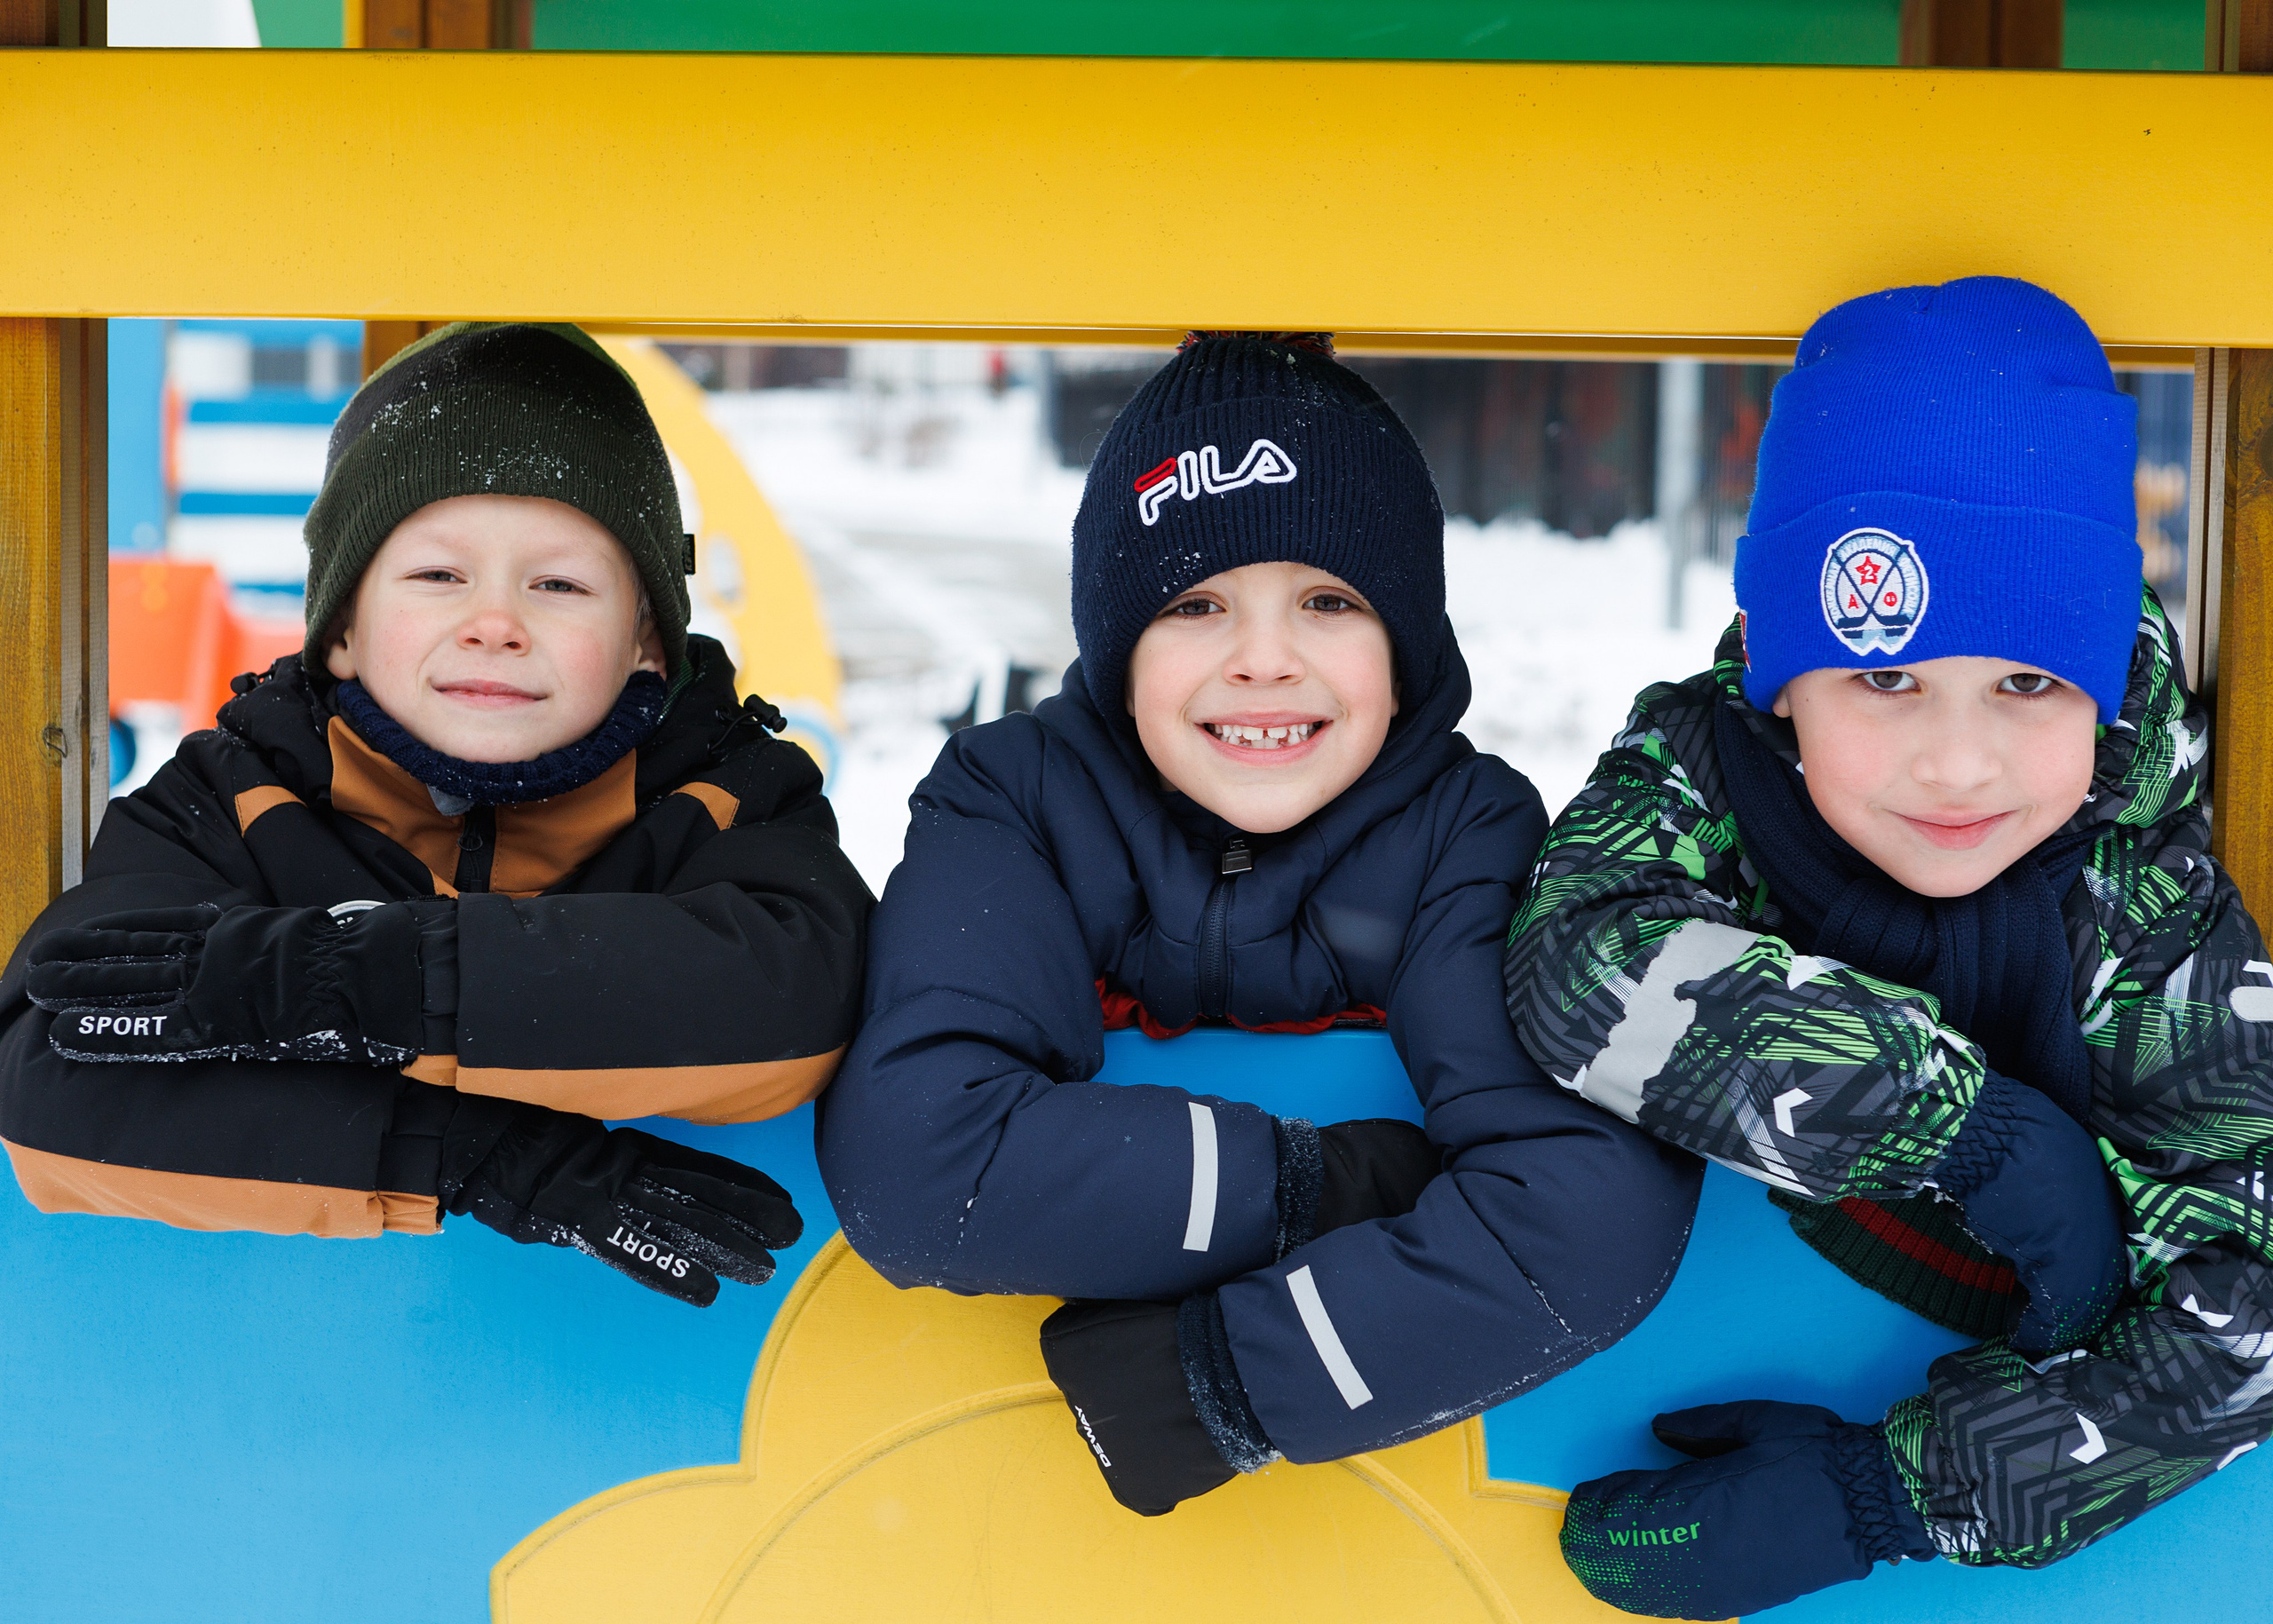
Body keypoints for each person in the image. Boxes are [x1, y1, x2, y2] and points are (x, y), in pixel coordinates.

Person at [819, 331, 1699, 1515]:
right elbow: (921, 1169)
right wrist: (1315, 1187)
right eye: (1196, 604)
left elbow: (1589, 1216)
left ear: (1409, 646)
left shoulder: (1463, 833)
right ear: (1117, 642)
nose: (1265, 661)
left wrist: (1221, 1382)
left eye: (1328, 601)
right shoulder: (1017, 799)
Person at [1504, 278, 2273, 1618]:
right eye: (1885, 675)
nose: (1959, 760)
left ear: (2099, 681)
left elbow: (2251, 1303)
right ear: (1781, 671)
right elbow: (1580, 959)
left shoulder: (2140, 897)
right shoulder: (1707, 775)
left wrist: (1895, 1495)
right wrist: (1970, 1131)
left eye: (2029, 684)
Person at [0, 323, 873, 1307]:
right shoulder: (233, 801)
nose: (495, 621)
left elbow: (791, 992)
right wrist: (479, 1153)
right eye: (437, 575)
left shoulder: (725, 796)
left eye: (559, 584)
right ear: (340, 631)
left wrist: (366, 982)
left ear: (647, 645)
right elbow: (53, 1083)